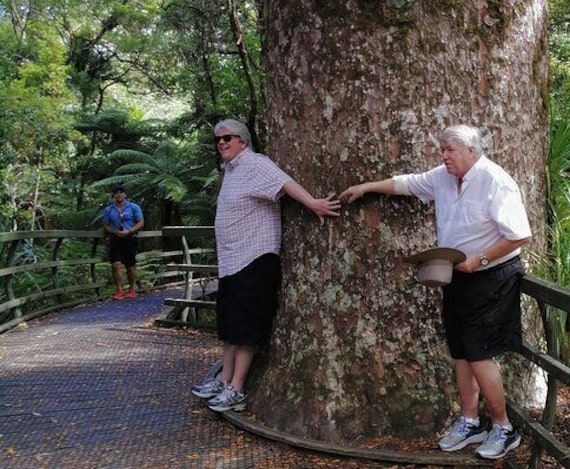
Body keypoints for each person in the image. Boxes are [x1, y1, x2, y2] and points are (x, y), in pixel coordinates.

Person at [340, 124, 532, 461]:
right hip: (457, 275)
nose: (444, 156)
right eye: (441, 149)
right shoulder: (443, 177)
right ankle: (470, 422)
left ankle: (504, 428)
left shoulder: (495, 181)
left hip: (492, 276)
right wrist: (366, 187)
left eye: (450, 150)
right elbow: (406, 184)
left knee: (478, 352)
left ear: (471, 151)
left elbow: (520, 235)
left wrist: (481, 258)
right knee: (460, 351)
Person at [190, 118, 341, 413]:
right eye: (218, 140)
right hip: (232, 261)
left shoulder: (255, 163)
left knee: (246, 327)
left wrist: (313, 204)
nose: (222, 143)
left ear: (243, 141)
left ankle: (237, 388)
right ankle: (223, 379)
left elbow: (284, 183)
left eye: (228, 138)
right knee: (229, 325)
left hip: (255, 257)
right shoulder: (231, 171)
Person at [102, 183, 145, 300]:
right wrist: (114, 231)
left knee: (130, 265)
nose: (119, 195)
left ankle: (131, 289)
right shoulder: (109, 209)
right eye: (116, 193)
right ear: (113, 196)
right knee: (115, 265)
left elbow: (140, 223)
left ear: (125, 194)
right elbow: (106, 225)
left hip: (130, 238)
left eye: (121, 192)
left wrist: (129, 231)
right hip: (115, 239)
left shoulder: (133, 207)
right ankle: (119, 290)